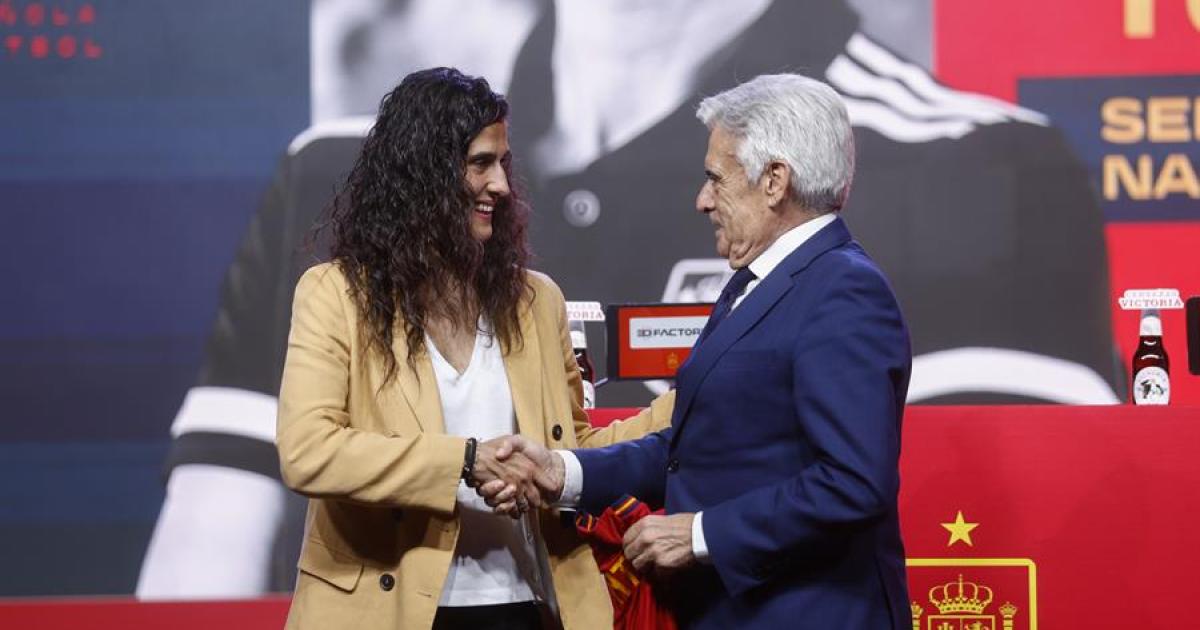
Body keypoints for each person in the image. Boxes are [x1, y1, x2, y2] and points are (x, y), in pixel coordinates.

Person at [482, 74, 912, 629]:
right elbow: (695, 447)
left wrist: (701, 534)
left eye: (715, 178)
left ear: (774, 180)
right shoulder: (756, 280)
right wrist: (563, 474)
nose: (702, 200)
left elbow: (854, 482)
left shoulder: (844, 291)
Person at [274, 68, 670, 630]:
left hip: (525, 606)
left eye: (503, 164)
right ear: (424, 173)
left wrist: (685, 401)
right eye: (480, 163)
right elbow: (309, 450)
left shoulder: (536, 301)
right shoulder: (335, 295)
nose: (501, 185)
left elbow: (572, 446)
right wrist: (464, 461)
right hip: (387, 611)